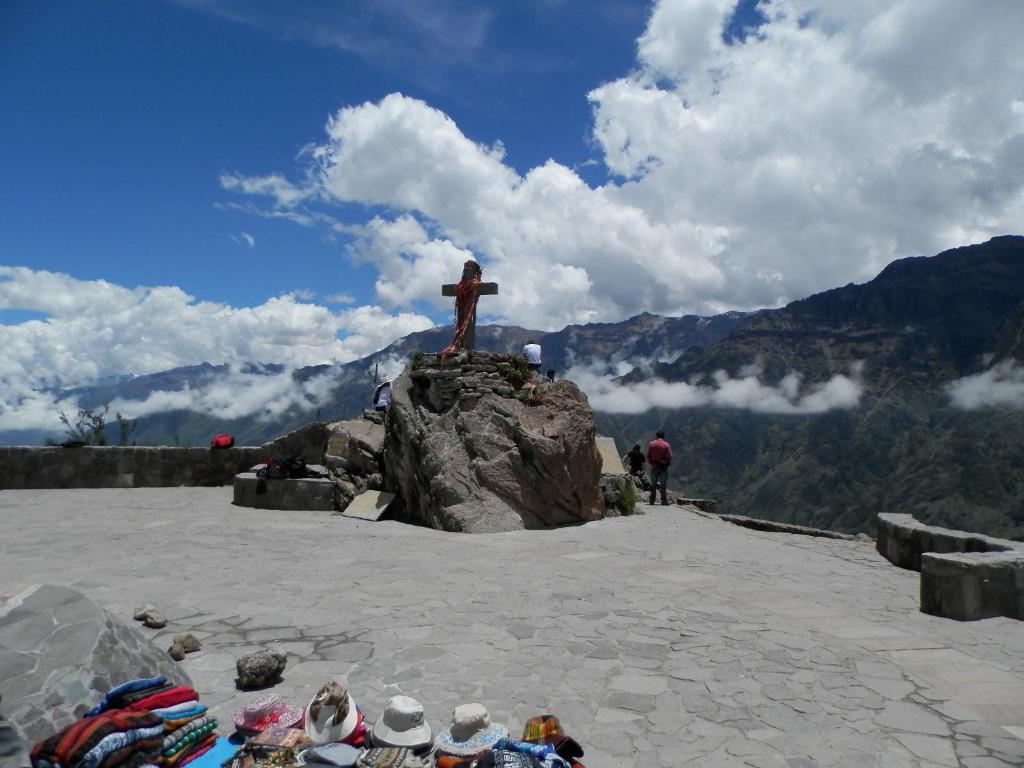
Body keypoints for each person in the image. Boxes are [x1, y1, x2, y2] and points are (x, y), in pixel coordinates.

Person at [646, 430, 672, 505]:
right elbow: (670, 456)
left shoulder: (651, 444)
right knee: (663, 484)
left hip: (654, 466)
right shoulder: (666, 445)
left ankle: (652, 500)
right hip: (663, 467)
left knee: (653, 484)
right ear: (663, 437)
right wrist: (668, 463)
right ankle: (664, 500)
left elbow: (648, 455)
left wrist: (651, 462)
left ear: (657, 436)